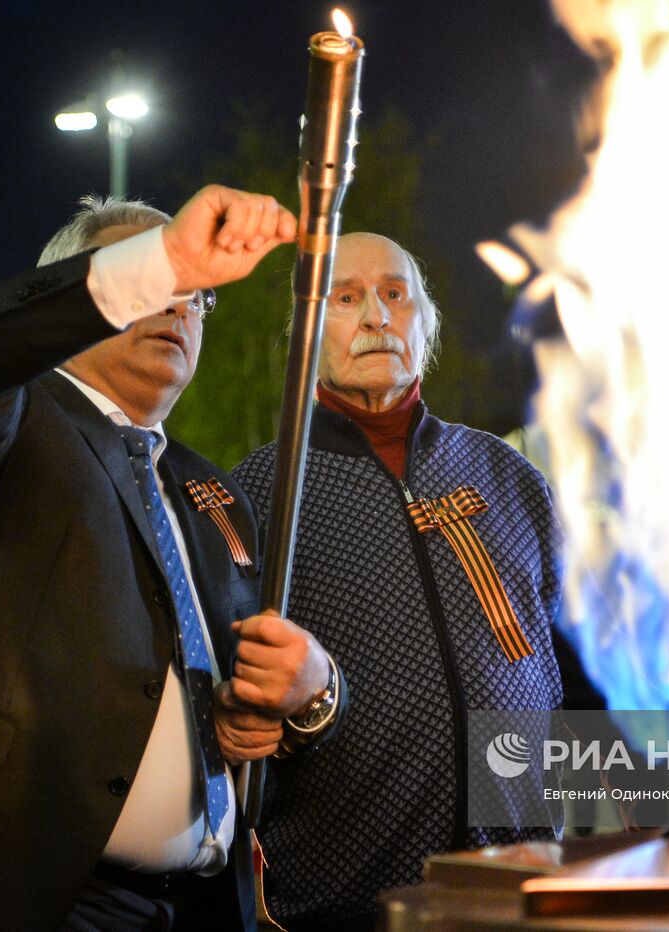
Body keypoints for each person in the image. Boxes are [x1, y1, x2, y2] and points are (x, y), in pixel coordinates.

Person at [0, 186, 343, 932]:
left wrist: (309, 695)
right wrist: (164, 259)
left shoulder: (214, 495)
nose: (179, 302)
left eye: (196, 295)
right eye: (159, 284)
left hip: (199, 906)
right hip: (13, 899)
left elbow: (254, 697)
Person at [232, 232, 564, 930]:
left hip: (523, 883)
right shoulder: (260, 495)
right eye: (347, 298)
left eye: (395, 295)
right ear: (307, 333)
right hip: (343, 901)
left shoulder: (508, 477)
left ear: (424, 324)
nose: (377, 317)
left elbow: (569, 672)